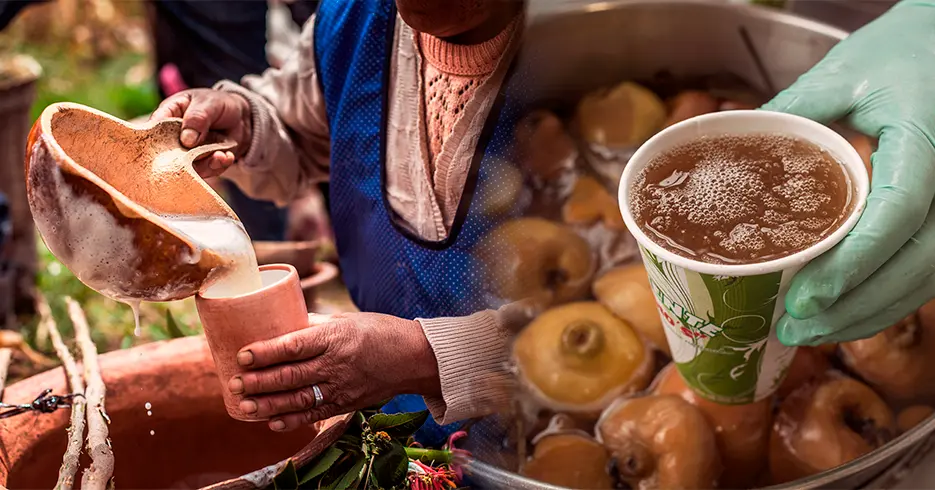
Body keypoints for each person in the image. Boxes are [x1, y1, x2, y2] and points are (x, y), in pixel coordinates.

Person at [151, 0, 935, 440]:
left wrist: (429, 355)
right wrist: (247, 125)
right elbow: (308, 123)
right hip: (380, 423)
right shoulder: (355, 24)